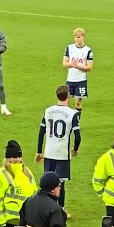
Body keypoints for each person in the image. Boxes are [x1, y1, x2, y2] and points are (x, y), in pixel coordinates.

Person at [36, 85, 81, 219]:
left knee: (48, 182)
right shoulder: (73, 114)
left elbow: (41, 132)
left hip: (49, 153)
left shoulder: (48, 110)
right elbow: (78, 136)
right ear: (68, 97)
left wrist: (39, 151)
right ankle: (60, 211)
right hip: (62, 154)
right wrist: (75, 149)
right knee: (60, 184)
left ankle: (45, 208)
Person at [0, 140, 37, 227]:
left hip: (27, 224)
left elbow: (35, 194)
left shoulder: (27, 173)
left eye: (19, 156)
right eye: (15, 157)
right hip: (9, 225)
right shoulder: (0, 175)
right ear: (8, 158)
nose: (18, 159)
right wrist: (1, 224)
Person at [62, 27, 93, 119]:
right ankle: (66, 119)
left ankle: (77, 121)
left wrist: (78, 66)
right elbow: (64, 63)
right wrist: (72, 64)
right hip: (70, 79)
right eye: (75, 37)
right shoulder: (69, 48)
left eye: (78, 37)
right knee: (66, 101)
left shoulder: (88, 51)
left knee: (78, 102)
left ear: (83, 37)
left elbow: (89, 67)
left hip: (81, 80)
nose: (76, 39)